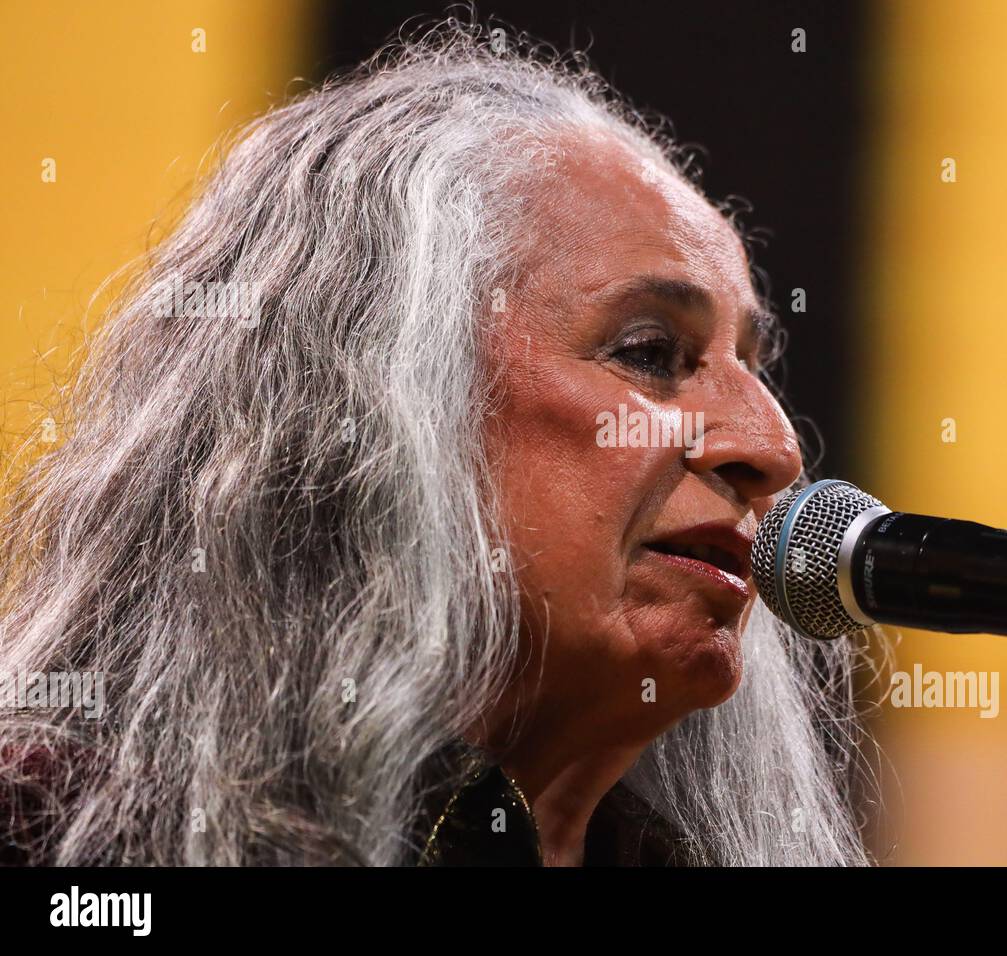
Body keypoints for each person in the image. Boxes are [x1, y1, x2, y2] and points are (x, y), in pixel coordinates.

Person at [0, 19, 872, 866]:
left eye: (752, 367)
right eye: (648, 353)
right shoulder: (47, 832)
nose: (773, 448)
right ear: (363, 408)